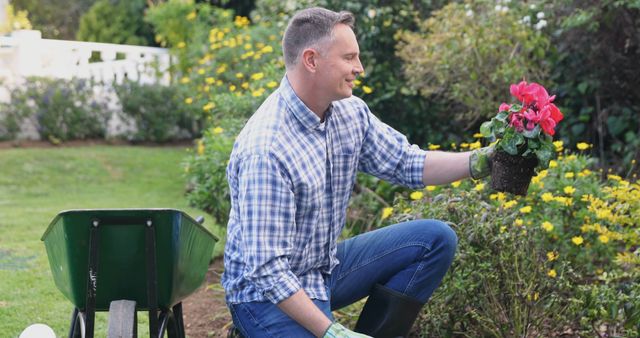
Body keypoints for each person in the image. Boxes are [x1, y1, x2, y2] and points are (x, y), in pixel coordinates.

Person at [221, 7, 492, 338]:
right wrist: (333, 331)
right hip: (264, 297)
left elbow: (406, 162)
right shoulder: (266, 149)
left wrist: (481, 161)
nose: (358, 68)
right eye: (349, 58)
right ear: (311, 60)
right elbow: (268, 271)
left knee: (434, 240)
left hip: (322, 270)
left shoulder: (350, 113)